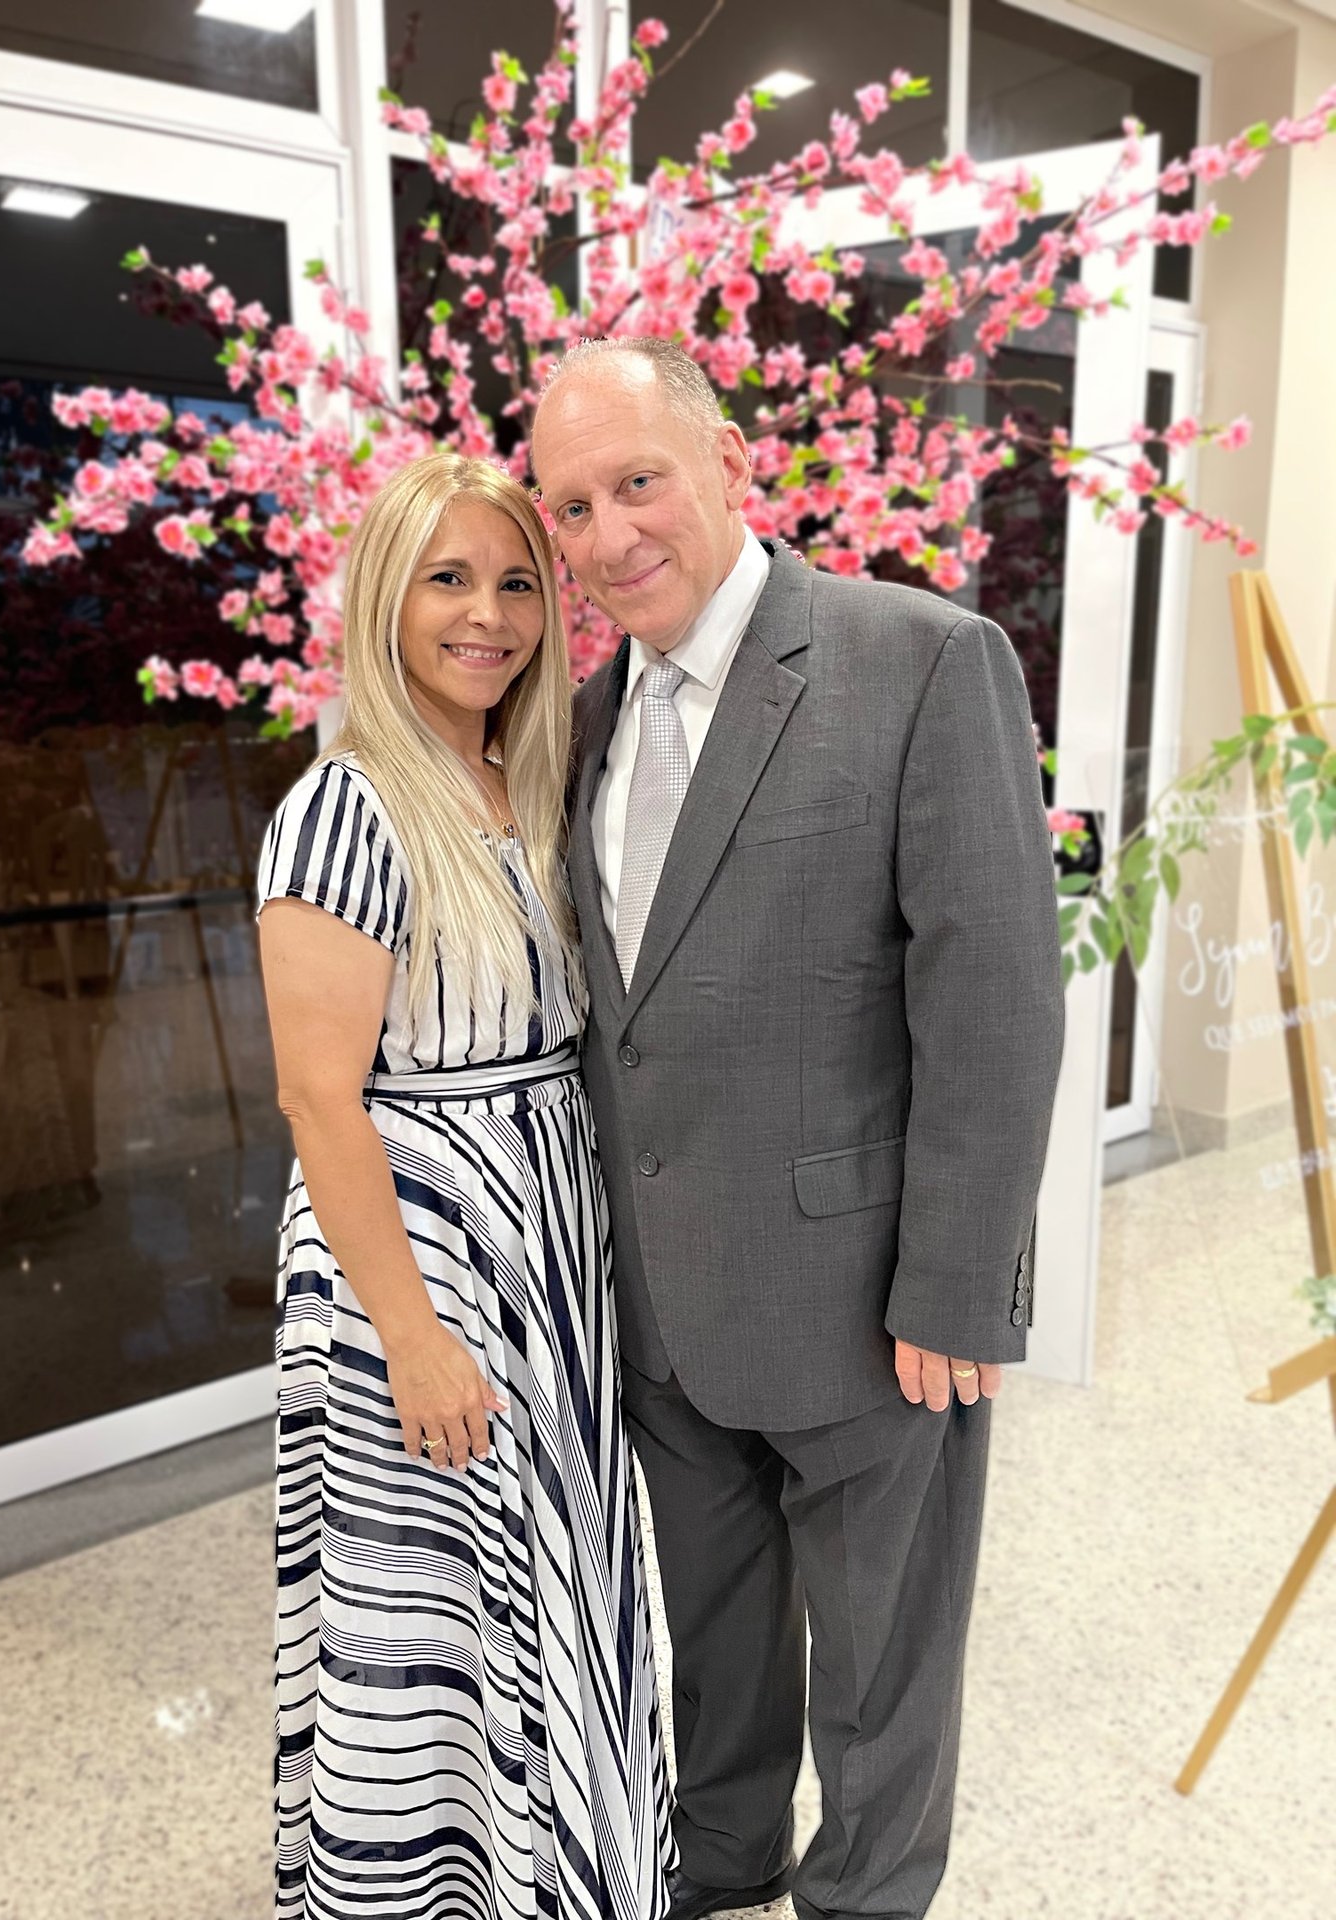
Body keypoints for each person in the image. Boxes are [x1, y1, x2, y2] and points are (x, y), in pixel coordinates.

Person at [530, 339, 1065, 1920]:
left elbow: (995, 999)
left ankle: (866, 1897)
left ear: (729, 465)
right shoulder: (583, 716)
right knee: (716, 1640)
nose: (611, 534)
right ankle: (725, 1859)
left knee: (883, 1675)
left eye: (639, 481)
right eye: (573, 507)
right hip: (667, 1310)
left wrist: (959, 1286)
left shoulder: (921, 660)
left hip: (870, 1308)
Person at [255, 451, 676, 1920]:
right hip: (422, 1267)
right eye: (447, 579)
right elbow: (318, 1097)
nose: (486, 616)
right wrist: (414, 1337)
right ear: (384, 597)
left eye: (513, 583)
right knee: (434, 1622)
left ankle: (560, 1878)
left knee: (552, 1589)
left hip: (544, 1251)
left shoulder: (525, 782)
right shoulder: (346, 809)